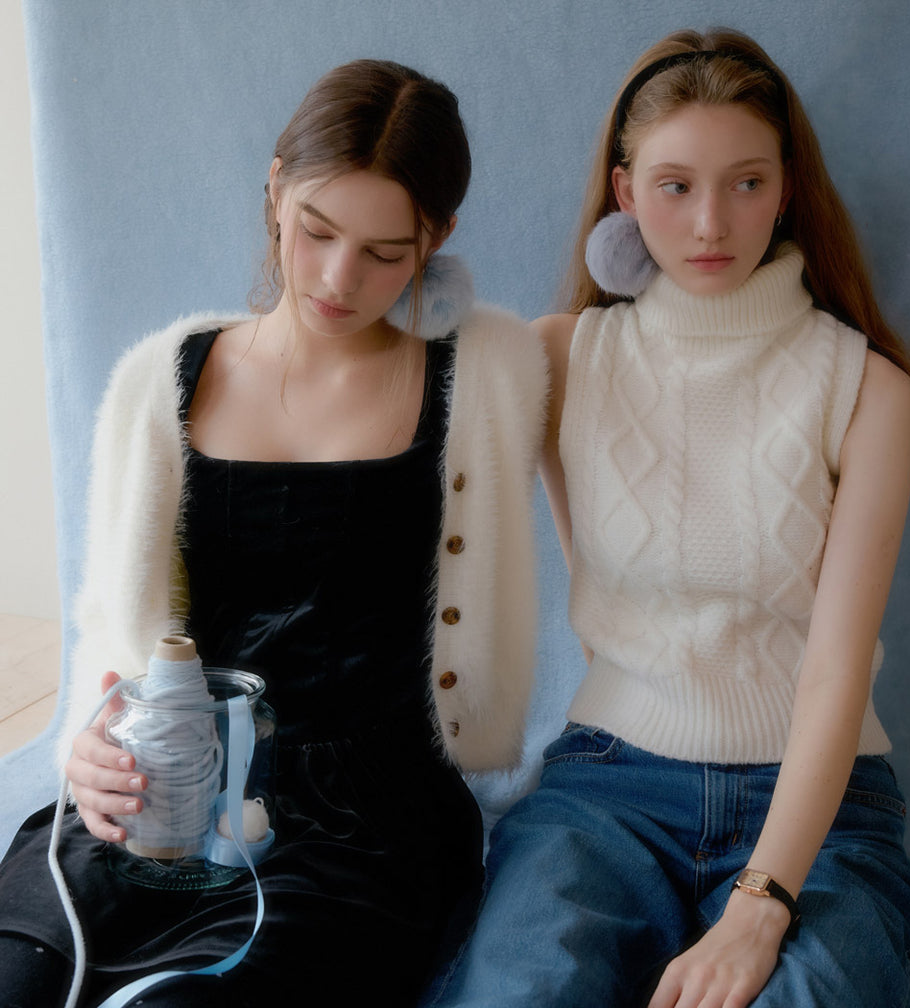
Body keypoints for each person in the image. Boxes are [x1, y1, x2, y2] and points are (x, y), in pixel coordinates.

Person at [0, 59, 547, 1007]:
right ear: (274, 189)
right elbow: (113, 635)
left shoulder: (488, 373)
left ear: (439, 237)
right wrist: (92, 749)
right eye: (317, 231)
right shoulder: (161, 378)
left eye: (385, 251)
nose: (338, 279)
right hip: (170, 789)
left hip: (362, 823)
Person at [426, 28, 910, 1008]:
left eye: (746, 183)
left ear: (786, 190)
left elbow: (833, 671)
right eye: (674, 185)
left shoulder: (867, 388)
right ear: (624, 192)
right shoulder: (559, 358)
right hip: (608, 787)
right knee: (521, 991)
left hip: (821, 801)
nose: (710, 222)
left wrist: (762, 904)